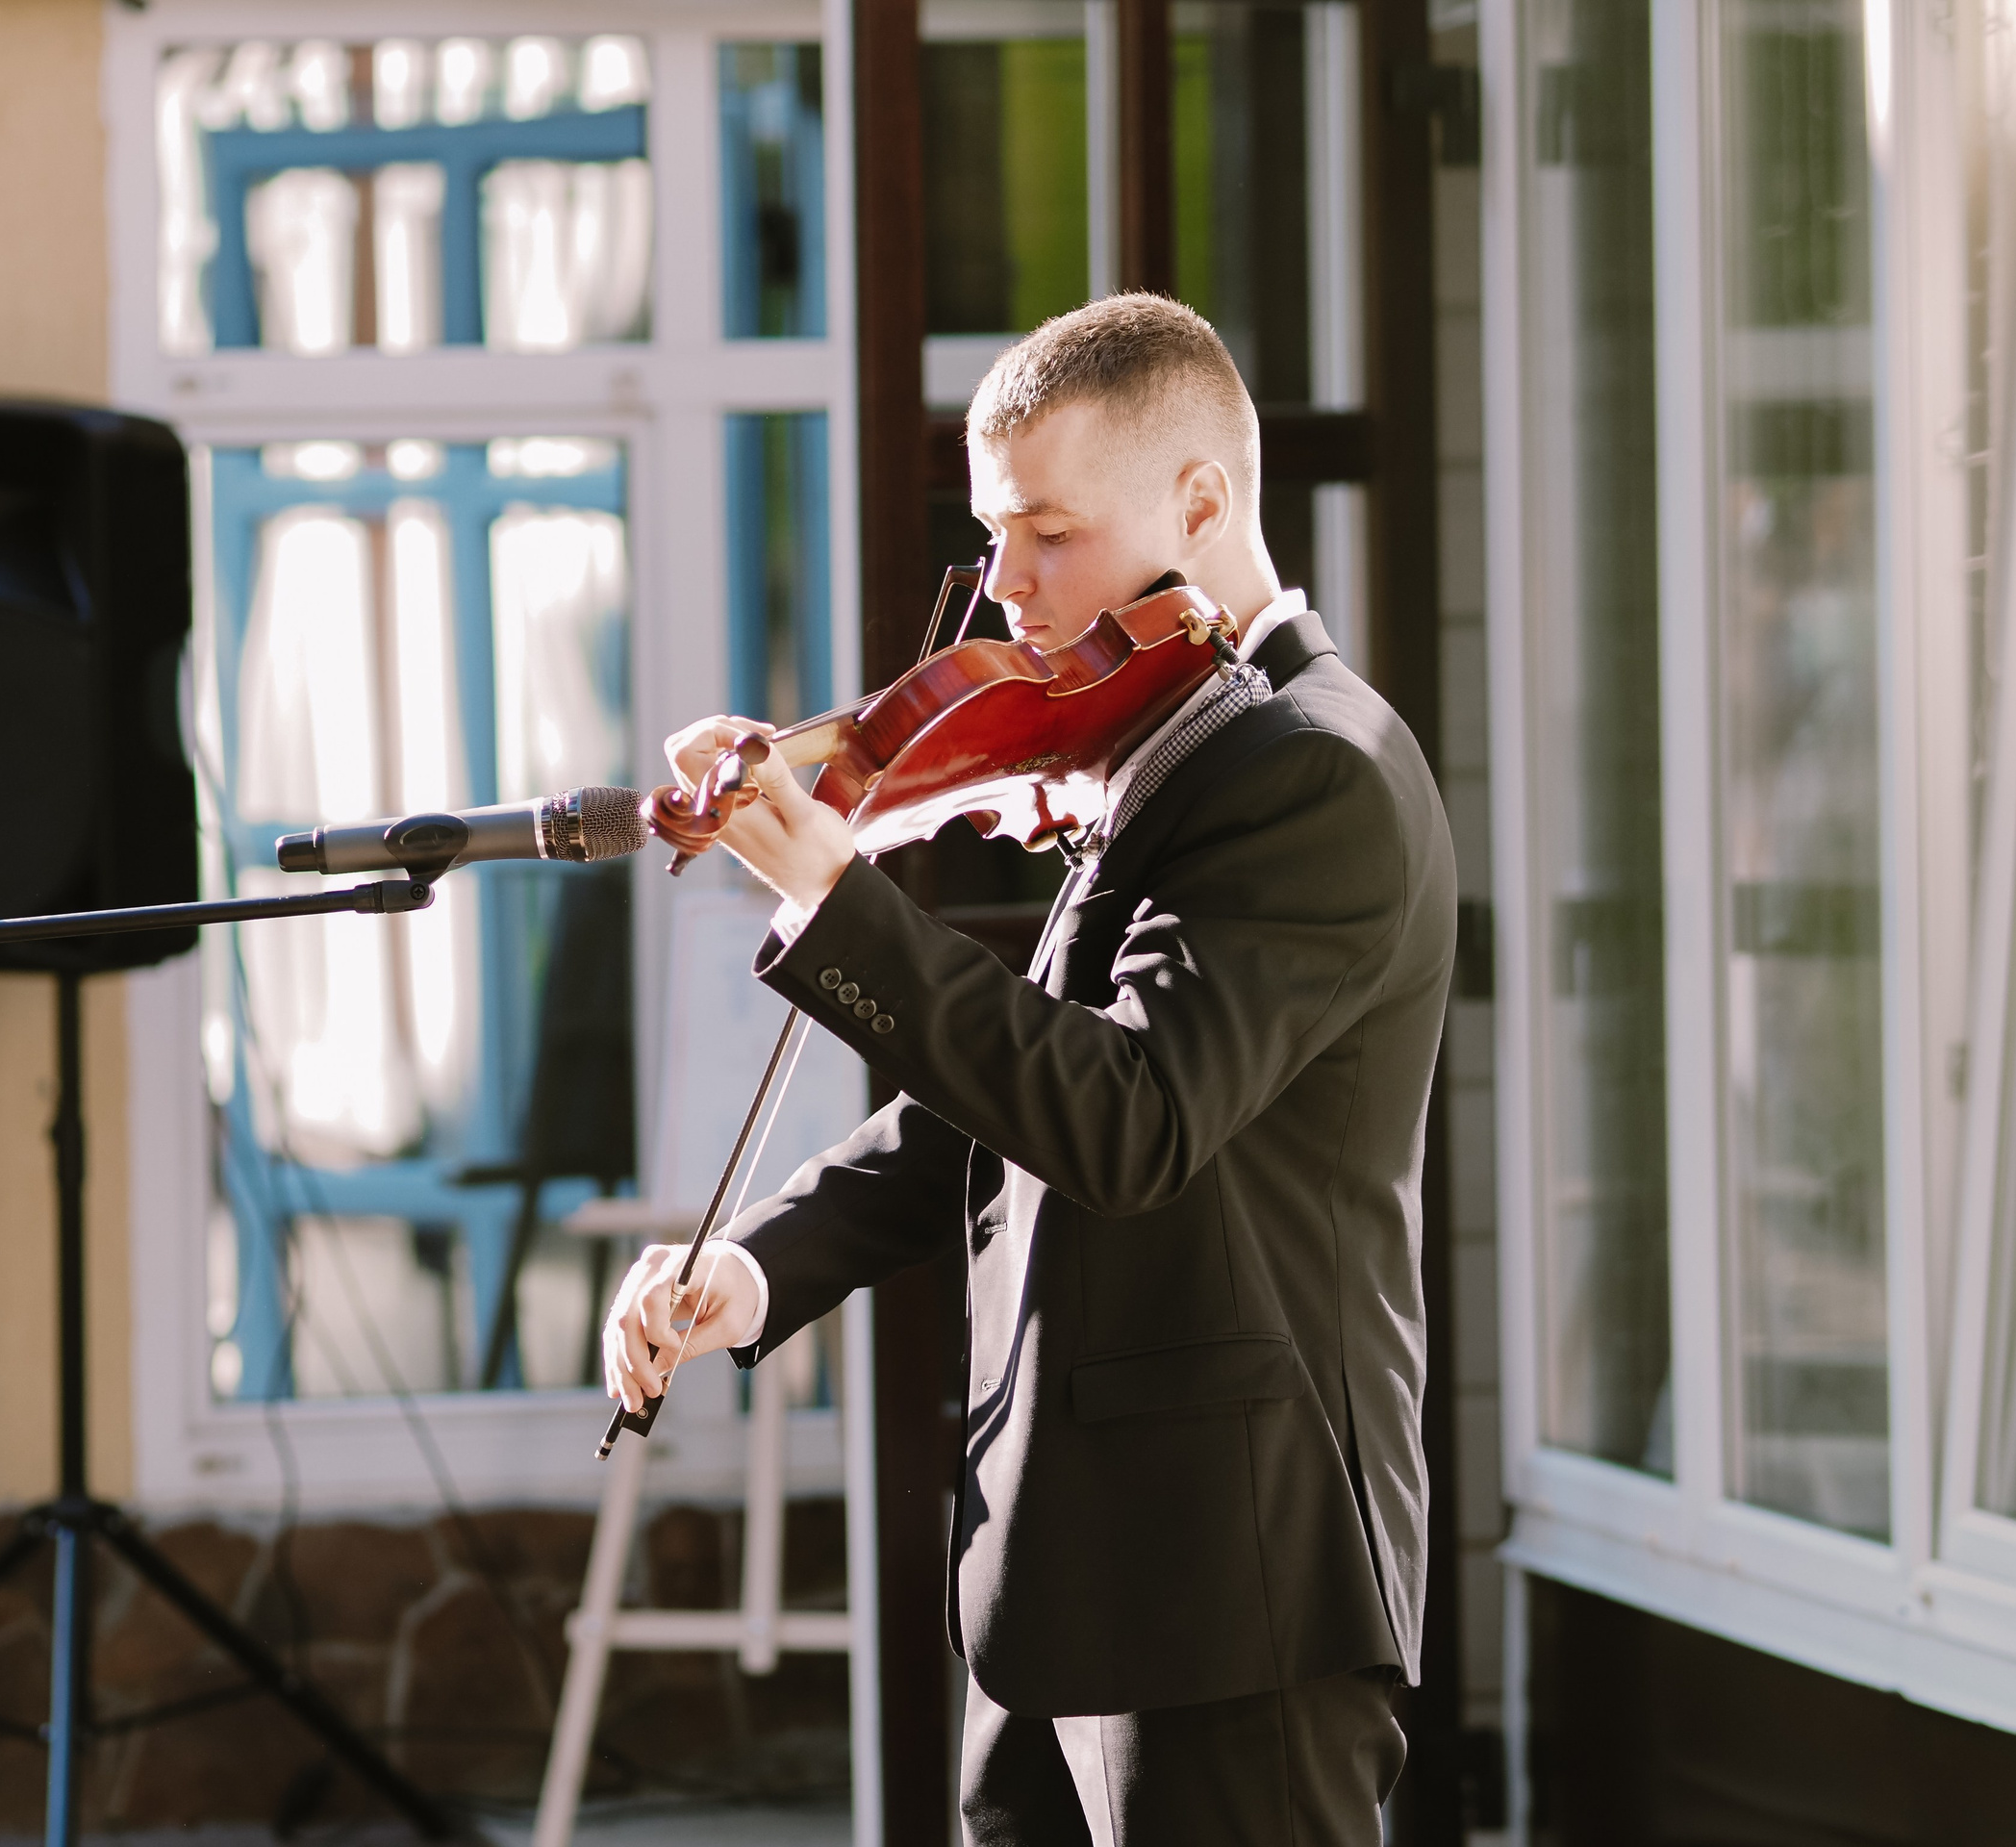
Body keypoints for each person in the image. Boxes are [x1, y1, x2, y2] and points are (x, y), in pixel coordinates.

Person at [602, 292, 1455, 1846]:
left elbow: (1129, 1118)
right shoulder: (1162, 748)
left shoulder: (1311, 770)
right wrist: (759, 1263)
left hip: (1227, 1596)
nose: (1004, 586)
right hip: (1074, 1580)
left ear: (1200, 503)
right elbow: (1003, 1108)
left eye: (1047, 531)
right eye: (996, 533)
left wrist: (836, 901)